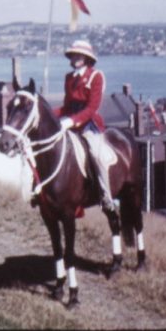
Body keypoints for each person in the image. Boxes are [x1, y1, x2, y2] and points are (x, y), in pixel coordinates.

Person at [53, 39, 117, 213]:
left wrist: (72, 121)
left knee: (97, 154)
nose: (76, 58)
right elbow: (66, 106)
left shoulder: (96, 76)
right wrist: (50, 116)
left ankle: (106, 196)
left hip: (88, 123)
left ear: (87, 58)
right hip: (70, 121)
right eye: (74, 55)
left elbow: (92, 107)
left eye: (80, 55)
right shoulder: (69, 78)